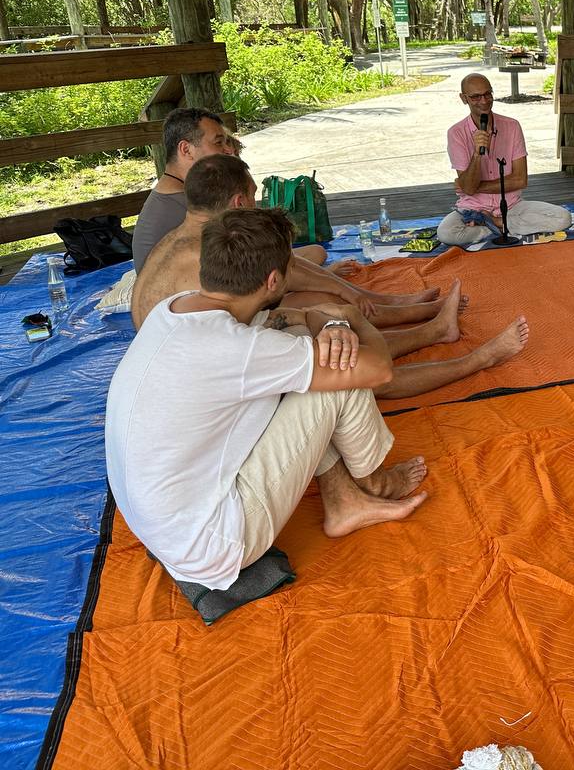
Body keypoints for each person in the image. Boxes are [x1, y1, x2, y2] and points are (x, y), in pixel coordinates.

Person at [106, 208, 432, 592]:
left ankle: (344, 501)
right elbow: (378, 369)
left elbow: (294, 317)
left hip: (162, 527)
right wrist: (349, 317)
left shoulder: (175, 307)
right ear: (274, 280)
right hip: (211, 544)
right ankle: (375, 484)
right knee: (340, 375)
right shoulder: (238, 348)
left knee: (301, 350)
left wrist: (330, 324)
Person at [134, 155, 530, 399]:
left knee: (322, 313)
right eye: (254, 196)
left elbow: (286, 271)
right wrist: (348, 313)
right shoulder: (213, 251)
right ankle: (475, 357)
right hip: (210, 365)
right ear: (239, 202)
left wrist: (330, 313)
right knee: (354, 370)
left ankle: (430, 327)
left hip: (191, 355)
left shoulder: (193, 238)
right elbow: (288, 276)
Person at [439, 73, 572, 246]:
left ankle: (493, 224)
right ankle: (498, 227)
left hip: (512, 207)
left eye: (488, 94)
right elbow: (469, 188)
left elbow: (520, 180)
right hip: (473, 210)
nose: (484, 101)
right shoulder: (456, 133)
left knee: (563, 217)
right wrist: (477, 154)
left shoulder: (512, 126)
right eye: (476, 97)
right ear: (464, 99)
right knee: (446, 233)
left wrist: (476, 187)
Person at [132, 107, 236, 271]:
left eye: (226, 142)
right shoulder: (191, 206)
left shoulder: (175, 193)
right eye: (218, 143)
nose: (230, 150)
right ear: (186, 150)